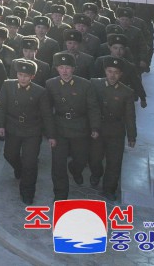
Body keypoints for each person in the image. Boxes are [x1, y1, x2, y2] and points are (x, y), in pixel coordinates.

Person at [0, 59, 55, 204]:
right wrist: (1, 126)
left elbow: (47, 115)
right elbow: (2, 107)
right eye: (20, 74)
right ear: (17, 74)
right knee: (9, 155)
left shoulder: (40, 92)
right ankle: (19, 168)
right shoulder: (7, 85)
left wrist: (51, 135)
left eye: (26, 76)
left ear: (32, 77)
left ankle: (27, 192)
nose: (23, 78)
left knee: (30, 163)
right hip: (13, 128)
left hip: (32, 131)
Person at [46, 52, 100, 201]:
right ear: (57, 69)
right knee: (58, 163)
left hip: (80, 128)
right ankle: (60, 195)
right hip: (60, 128)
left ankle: (75, 170)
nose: (64, 71)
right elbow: (47, 111)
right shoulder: (51, 84)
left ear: (73, 69)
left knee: (81, 159)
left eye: (68, 67)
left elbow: (93, 108)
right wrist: (50, 134)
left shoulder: (85, 84)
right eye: (61, 67)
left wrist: (95, 128)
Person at [90, 58, 137, 201]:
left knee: (114, 162)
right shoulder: (95, 84)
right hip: (97, 129)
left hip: (116, 131)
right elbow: (91, 108)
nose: (112, 75)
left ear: (120, 74)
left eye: (116, 73)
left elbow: (130, 116)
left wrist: (131, 136)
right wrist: (93, 126)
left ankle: (109, 189)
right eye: (109, 71)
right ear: (105, 71)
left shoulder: (126, 92)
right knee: (95, 158)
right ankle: (96, 173)